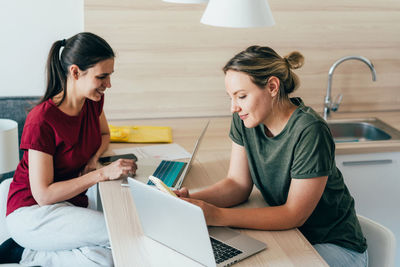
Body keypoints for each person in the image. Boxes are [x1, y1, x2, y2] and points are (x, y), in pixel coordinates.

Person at [176, 45, 368, 267]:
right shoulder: (245, 119)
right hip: (292, 236)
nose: (233, 107)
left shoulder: (310, 130)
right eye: (231, 97)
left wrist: (217, 215)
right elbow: (237, 185)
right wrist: (189, 200)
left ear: (272, 86)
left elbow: (293, 214)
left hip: (334, 247)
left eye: (241, 96)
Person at [0, 32, 136, 266]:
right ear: (75, 72)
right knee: (122, 236)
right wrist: (101, 173)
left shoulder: (93, 102)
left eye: (110, 76)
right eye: (102, 76)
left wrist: (93, 161)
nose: (108, 84)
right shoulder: (41, 120)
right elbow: (44, 195)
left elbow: (105, 135)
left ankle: (39, 249)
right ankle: (27, 253)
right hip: (33, 211)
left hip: (70, 202)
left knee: (115, 247)